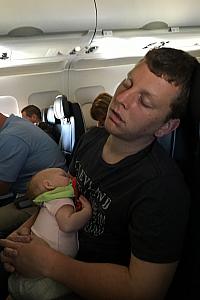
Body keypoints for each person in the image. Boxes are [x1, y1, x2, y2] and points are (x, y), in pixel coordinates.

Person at [0, 47, 198, 300]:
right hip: (54, 252)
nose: (123, 99)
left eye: (145, 101)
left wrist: (47, 263)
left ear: (166, 127)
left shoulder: (162, 188)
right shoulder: (92, 139)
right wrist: (26, 235)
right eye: (127, 83)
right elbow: (61, 197)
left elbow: (143, 290)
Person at [7, 167, 92, 300]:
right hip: (45, 279)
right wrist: (86, 213)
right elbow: (67, 224)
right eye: (64, 175)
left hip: (27, 273)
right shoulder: (62, 201)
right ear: (49, 185)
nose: (70, 178)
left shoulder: (47, 202)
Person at [0, 112, 67, 235]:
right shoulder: (15, 123)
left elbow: (2, 187)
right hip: (36, 195)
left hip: (44, 202)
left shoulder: (10, 136)